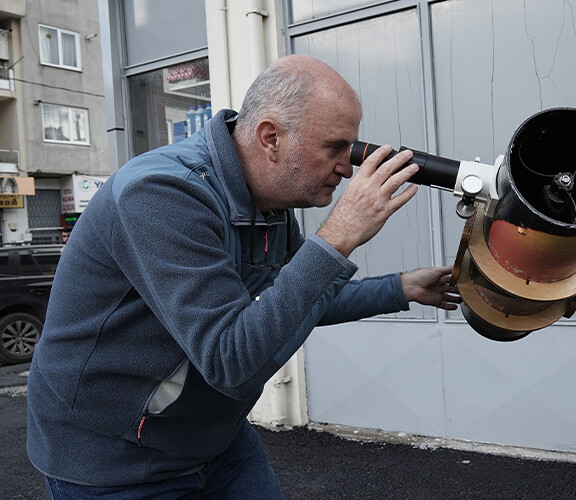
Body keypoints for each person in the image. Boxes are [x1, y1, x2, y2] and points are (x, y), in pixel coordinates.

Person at [27, 55, 461, 498]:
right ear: (270, 137)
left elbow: (294, 301)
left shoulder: (268, 205)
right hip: (115, 458)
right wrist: (338, 237)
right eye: (334, 148)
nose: (347, 169)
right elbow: (230, 363)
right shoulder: (161, 194)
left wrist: (401, 288)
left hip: (212, 438)